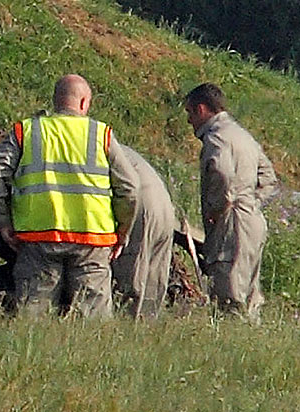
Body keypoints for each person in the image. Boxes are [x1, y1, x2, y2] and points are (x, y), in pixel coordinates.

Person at [0, 74, 140, 317]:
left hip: (38, 238)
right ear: (84, 102)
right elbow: (130, 189)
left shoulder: (27, 131)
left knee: (33, 320)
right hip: (93, 241)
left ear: (56, 101)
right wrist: (122, 232)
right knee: (92, 323)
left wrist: (2, 222)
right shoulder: (101, 134)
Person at [184, 82, 277, 321]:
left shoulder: (217, 137)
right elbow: (268, 177)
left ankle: (233, 336)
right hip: (252, 222)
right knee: (250, 296)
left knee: (229, 296)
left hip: (232, 226)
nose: (189, 120)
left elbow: (223, 174)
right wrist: (251, 203)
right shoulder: (242, 135)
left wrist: (219, 208)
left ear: (201, 109)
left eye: (190, 112)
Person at [111, 145, 176, 319]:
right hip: (164, 207)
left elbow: (127, 188)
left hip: (140, 205)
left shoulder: (101, 146)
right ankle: (146, 329)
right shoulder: (118, 147)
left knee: (128, 279)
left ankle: (124, 328)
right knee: (153, 281)